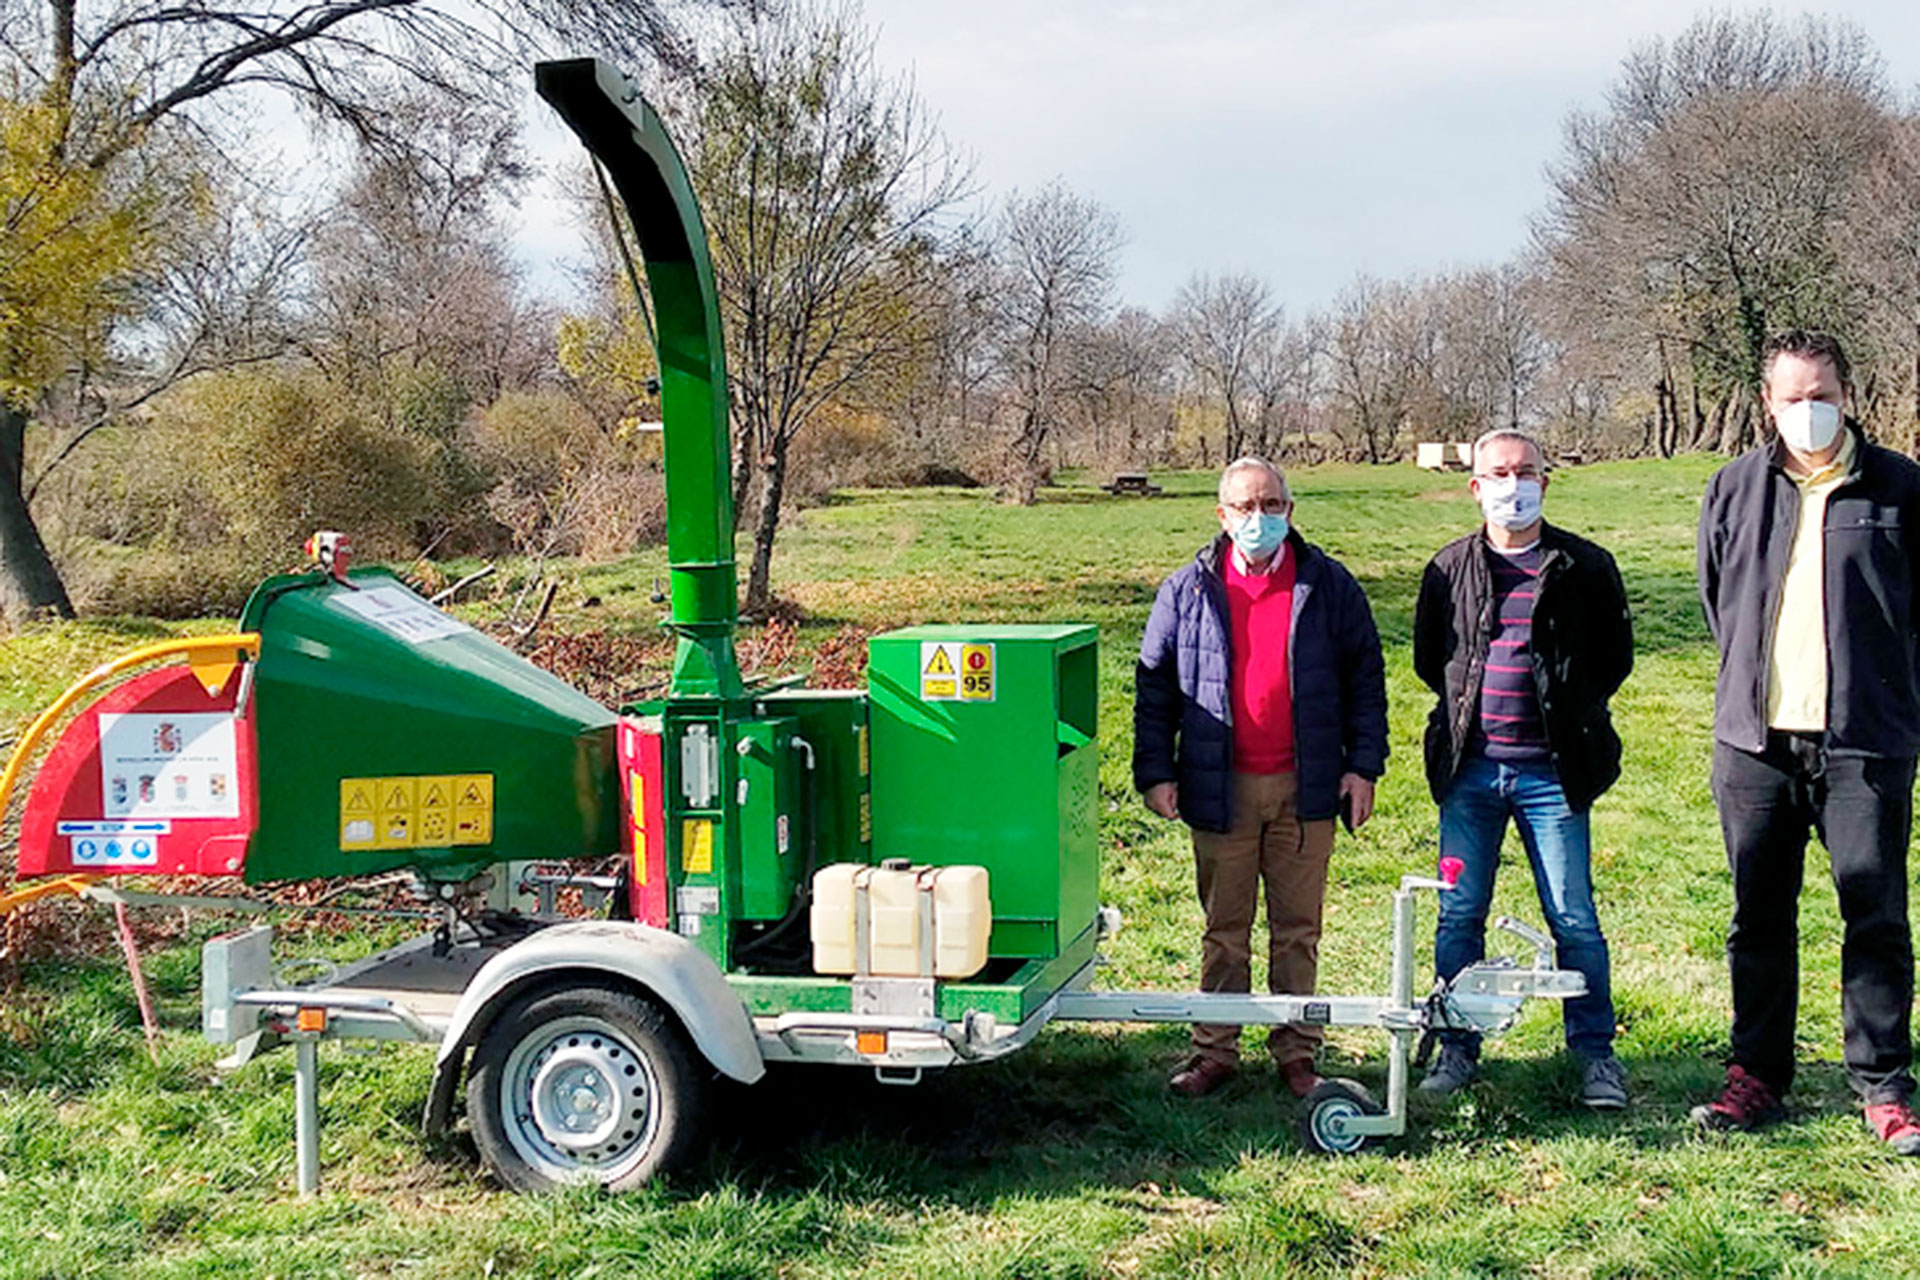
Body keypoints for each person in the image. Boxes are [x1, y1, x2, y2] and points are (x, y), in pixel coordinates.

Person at [1693, 329, 1920, 1154]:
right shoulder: (1734, 488)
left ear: (1848, 394)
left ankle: (1885, 1083)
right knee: (1758, 915)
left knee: (1875, 914)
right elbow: (1718, 597)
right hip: (1755, 744)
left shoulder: (1898, 488)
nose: (1807, 411)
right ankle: (1756, 1074)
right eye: (1792, 398)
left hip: (1867, 740)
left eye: (1821, 394)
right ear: (1767, 404)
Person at [1133, 456, 1388, 1099]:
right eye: (1245, 507)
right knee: (1225, 928)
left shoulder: (1329, 586)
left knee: (1298, 929)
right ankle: (1215, 1049)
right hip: (1219, 785)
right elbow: (1154, 687)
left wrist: (1363, 768)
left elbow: (1366, 681)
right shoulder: (1186, 590)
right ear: (1221, 515)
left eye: (1271, 505)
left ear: (1290, 512)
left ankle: (1296, 1051)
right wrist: (1156, 771)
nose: (1258, 518)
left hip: (1307, 786)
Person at [1411, 429, 1633, 1110]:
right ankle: (1457, 1047)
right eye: (1500, 473)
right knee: (1458, 917)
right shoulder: (1448, 569)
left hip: (1553, 778)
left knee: (1574, 918)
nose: (1514, 485)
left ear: (1545, 480)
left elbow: (1613, 659)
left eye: (1527, 471)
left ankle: (1594, 1054)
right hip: (1470, 775)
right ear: (1475, 486)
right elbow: (1430, 660)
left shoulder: (1585, 567)